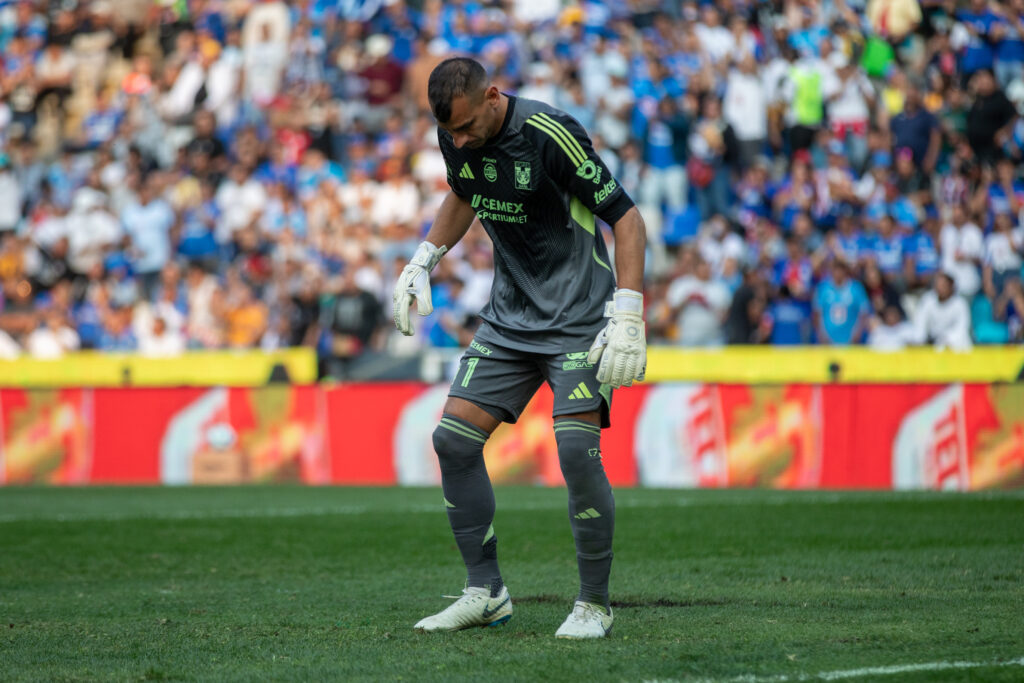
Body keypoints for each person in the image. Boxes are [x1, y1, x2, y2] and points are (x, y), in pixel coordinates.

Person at [392, 57, 646, 638]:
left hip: (579, 315)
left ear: (493, 96)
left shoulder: (548, 132)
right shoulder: (456, 130)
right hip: (511, 317)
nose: (457, 140)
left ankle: (594, 604)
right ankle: (485, 593)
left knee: (576, 453)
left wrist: (628, 311)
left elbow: (627, 218)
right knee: (451, 441)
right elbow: (464, 190)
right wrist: (424, 257)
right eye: (449, 133)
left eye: (465, 128)